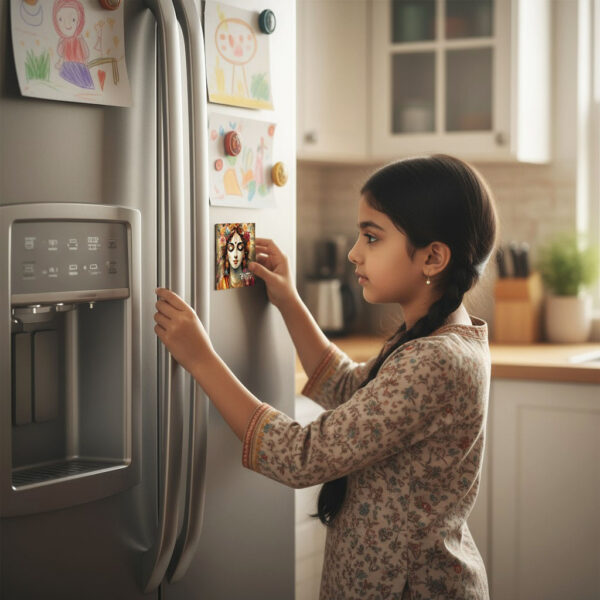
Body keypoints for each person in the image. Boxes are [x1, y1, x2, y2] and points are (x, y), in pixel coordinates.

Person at [154, 154, 498, 599]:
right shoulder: (436, 339)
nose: (354, 252)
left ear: (432, 257)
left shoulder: (437, 360)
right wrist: (289, 301)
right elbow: (350, 389)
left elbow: (302, 456)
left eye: (372, 237)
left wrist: (200, 359)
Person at [216, 225, 255, 289]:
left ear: (244, 253)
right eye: (231, 248)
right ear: (227, 254)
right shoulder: (221, 284)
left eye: (240, 247)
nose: (235, 255)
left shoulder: (250, 281)